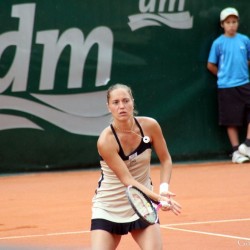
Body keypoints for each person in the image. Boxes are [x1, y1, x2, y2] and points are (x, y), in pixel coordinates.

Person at [90, 83, 181, 250]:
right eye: (116, 102)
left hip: (142, 205)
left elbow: (166, 159)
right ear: (109, 107)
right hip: (109, 206)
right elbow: (127, 180)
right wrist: (158, 198)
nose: (122, 106)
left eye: (126, 101)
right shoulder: (106, 141)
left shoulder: (150, 126)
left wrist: (163, 188)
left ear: (133, 101)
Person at [207, 7, 250, 163]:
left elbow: (248, 58)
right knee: (231, 119)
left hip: (245, 83)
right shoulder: (218, 43)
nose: (232, 25)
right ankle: (235, 152)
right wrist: (224, 75)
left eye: (234, 22)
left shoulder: (245, 40)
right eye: (228, 22)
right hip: (226, 86)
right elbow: (211, 65)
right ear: (222, 24)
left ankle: (247, 144)